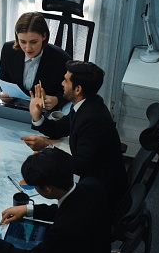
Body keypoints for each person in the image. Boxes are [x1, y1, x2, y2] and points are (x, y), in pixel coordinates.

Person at [0, 148, 114, 253]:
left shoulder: (63, 229)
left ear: (48, 188)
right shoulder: (91, 184)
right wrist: (29, 209)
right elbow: (70, 208)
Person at [22, 60, 128, 216]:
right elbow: (59, 129)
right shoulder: (85, 104)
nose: (61, 83)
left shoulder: (92, 119)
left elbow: (80, 165)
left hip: (102, 192)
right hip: (96, 178)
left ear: (78, 89)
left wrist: (46, 147)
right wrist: (37, 116)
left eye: (66, 80)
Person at [0, 12, 71, 111]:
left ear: (44, 36)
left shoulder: (61, 59)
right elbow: (4, 78)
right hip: (15, 107)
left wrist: (57, 100)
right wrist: (4, 93)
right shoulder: (8, 50)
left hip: (44, 112)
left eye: (33, 42)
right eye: (23, 42)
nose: (28, 48)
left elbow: (71, 91)